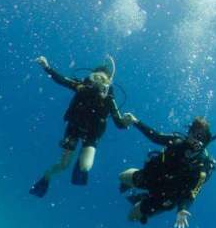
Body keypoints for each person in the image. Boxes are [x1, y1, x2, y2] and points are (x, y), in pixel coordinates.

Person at [29, 55, 138, 198]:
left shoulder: (109, 99)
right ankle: (46, 178)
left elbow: (119, 123)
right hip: (73, 129)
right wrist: (46, 67)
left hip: (92, 134)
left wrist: (127, 122)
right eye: (96, 77)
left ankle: (80, 160)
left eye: (102, 79)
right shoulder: (81, 87)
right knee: (63, 165)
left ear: (108, 82)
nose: (98, 82)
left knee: (85, 167)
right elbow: (61, 80)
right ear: (90, 77)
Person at [118, 117, 216, 228]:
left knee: (132, 216)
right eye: (193, 132)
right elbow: (156, 136)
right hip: (151, 177)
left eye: (200, 136)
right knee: (122, 176)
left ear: (206, 140)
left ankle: (143, 199)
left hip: (165, 198)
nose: (194, 139)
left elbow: (192, 193)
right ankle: (133, 187)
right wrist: (136, 121)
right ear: (189, 133)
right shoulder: (177, 141)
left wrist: (182, 209)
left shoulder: (202, 166)